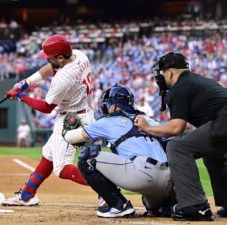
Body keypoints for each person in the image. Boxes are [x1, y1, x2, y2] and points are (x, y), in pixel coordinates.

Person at [2, 34, 95, 206]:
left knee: (61, 168)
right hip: (81, 112)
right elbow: (52, 68)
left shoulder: (63, 78)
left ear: (60, 57)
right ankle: (27, 194)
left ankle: (106, 190)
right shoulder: (78, 55)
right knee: (48, 154)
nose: (47, 60)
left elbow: (46, 107)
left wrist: (21, 96)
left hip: (72, 120)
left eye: (50, 57)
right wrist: (27, 82)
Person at [135, 52, 227, 221]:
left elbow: (176, 128)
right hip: (222, 123)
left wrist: (147, 128)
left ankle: (195, 206)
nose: (161, 78)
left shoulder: (179, 88)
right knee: (211, 154)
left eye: (162, 73)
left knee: (177, 147)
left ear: (170, 72)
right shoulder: (197, 81)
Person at [63, 84, 174, 218]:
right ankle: (169, 205)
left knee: (87, 158)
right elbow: (171, 141)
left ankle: (118, 205)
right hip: (167, 180)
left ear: (115, 106)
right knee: (154, 207)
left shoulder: (109, 121)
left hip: (142, 175)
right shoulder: (149, 120)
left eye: (108, 104)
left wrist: (66, 130)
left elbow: (71, 138)